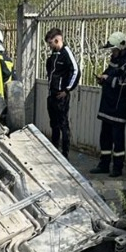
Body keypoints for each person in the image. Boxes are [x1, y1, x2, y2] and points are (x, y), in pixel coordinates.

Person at [91, 32, 126, 177]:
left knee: (117, 138)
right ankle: (104, 164)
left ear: (121, 47)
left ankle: (117, 168)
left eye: (114, 49)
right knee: (105, 136)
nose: (112, 51)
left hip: (119, 106)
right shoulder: (115, 58)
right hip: (107, 104)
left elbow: (125, 83)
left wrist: (108, 78)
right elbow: (109, 73)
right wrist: (102, 78)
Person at [45, 28, 80, 159]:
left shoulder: (66, 53)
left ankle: (65, 154)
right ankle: (54, 151)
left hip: (61, 96)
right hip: (52, 95)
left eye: (50, 43)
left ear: (57, 40)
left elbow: (76, 71)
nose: (49, 46)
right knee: (53, 124)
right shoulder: (54, 54)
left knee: (63, 125)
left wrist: (67, 90)